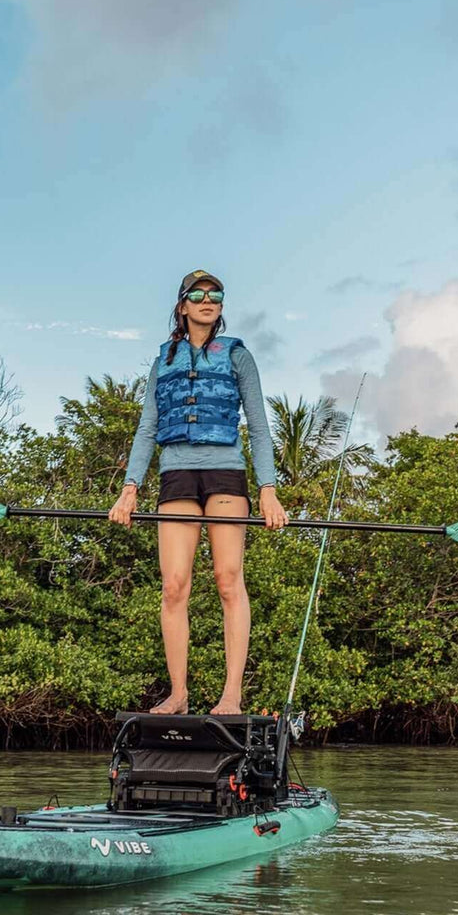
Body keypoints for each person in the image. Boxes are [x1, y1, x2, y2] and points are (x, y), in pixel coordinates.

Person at [108, 270, 288, 715]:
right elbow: (147, 429)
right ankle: (179, 694)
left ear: (221, 306)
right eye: (198, 294)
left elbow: (260, 427)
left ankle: (231, 695)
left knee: (228, 580)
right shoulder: (163, 361)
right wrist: (129, 490)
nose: (207, 300)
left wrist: (269, 489)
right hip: (176, 477)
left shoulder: (237, 357)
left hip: (226, 475)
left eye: (216, 295)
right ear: (183, 305)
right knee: (174, 586)